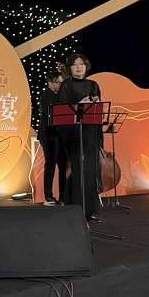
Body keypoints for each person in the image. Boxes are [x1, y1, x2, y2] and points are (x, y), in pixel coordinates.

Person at [56, 54, 103, 222]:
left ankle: (91, 210)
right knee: (78, 170)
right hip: (74, 133)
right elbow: (62, 110)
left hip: (91, 132)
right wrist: (79, 105)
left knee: (91, 170)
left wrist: (94, 103)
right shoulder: (66, 85)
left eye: (81, 64)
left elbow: (98, 111)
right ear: (70, 68)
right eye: (75, 64)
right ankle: (76, 208)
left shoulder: (93, 85)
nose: (78, 67)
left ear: (86, 66)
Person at [37, 64, 68, 205]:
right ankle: (48, 196)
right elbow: (50, 115)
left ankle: (63, 196)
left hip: (61, 135)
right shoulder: (45, 96)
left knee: (63, 165)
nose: (59, 85)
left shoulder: (62, 95)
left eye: (60, 82)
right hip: (49, 135)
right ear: (49, 82)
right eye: (56, 82)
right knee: (50, 164)